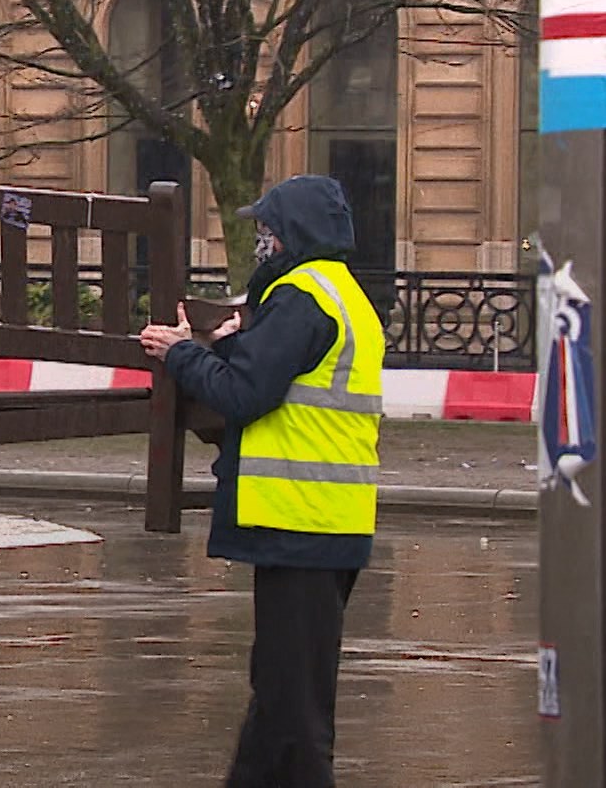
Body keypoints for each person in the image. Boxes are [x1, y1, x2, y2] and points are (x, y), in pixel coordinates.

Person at [139, 175, 383, 787]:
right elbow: (279, 382)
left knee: (293, 712)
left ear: (291, 233)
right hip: (324, 522)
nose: (260, 242)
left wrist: (181, 353)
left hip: (300, 521)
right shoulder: (339, 294)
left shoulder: (302, 297)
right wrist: (231, 346)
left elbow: (245, 395)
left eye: (267, 230)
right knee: (279, 697)